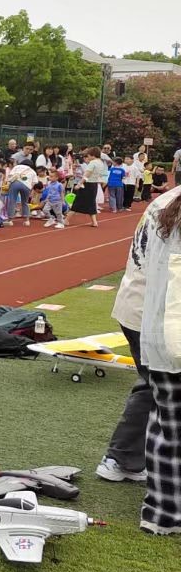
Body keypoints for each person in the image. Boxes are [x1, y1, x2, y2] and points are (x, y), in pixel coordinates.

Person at [97, 183, 181, 489]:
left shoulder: (168, 199)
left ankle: (125, 458)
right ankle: (123, 458)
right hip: (154, 313)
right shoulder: (173, 204)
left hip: (141, 307)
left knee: (153, 386)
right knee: (159, 389)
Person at [138, 187, 181, 535]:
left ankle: (161, 513)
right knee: (169, 428)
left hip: (158, 332)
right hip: (172, 332)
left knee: (165, 426)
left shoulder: (163, 203)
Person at [69, 147, 105, 227]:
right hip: (94, 184)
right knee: (91, 203)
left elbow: (86, 175)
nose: (88, 157)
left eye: (88, 155)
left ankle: (66, 220)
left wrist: (79, 184)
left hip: (87, 184)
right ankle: (94, 222)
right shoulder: (101, 163)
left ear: (92, 155)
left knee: (77, 202)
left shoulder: (92, 163)